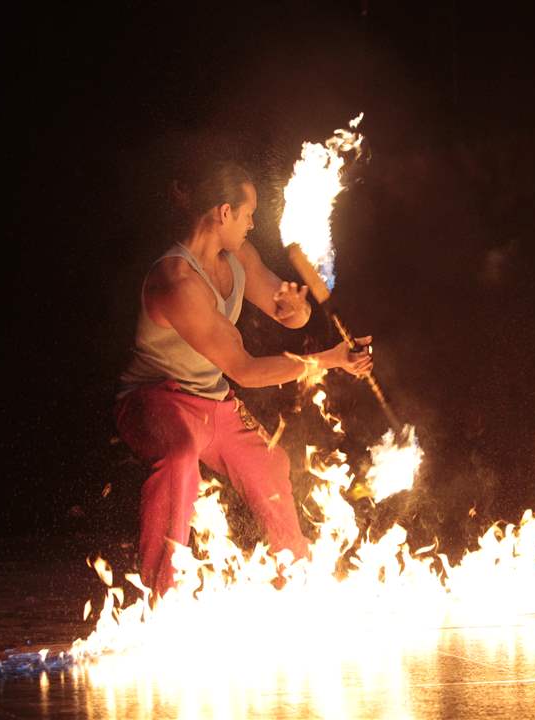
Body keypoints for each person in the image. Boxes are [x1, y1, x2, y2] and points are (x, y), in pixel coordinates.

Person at [116, 160, 373, 596]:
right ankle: (162, 599)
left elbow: (286, 308)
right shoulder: (176, 281)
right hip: (155, 400)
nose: (252, 225)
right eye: (249, 214)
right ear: (223, 213)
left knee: (270, 465)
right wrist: (329, 359)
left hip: (214, 403)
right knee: (180, 458)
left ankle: (296, 584)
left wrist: (296, 310)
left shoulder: (237, 256)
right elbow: (246, 370)